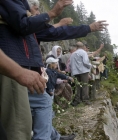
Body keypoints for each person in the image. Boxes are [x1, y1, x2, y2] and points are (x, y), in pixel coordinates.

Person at [0, 0, 73, 139]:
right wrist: (51, 14)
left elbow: (48, 31)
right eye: (35, 9)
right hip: (13, 73)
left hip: (18, 72)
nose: (38, 13)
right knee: (19, 128)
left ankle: (54, 136)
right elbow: (26, 25)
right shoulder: (19, 24)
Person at [70, 42, 92, 106]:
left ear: (76, 47)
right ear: (82, 46)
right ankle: (85, 100)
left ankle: (77, 100)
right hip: (83, 71)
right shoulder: (83, 52)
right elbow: (85, 62)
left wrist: (73, 71)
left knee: (78, 86)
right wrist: (90, 66)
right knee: (85, 85)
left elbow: (71, 64)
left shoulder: (73, 54)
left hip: (76, 72)